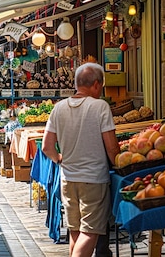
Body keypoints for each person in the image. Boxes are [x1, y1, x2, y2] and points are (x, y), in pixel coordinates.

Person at [41, 63, 120, 257]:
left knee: (75, 232)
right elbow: (111, 147)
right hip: (94, 179)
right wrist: (119, 164)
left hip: (67, 179)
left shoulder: (58, 108)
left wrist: (60, 159)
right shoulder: (100, 106)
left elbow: (46, 147)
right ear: (96, 84)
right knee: (90, 232)